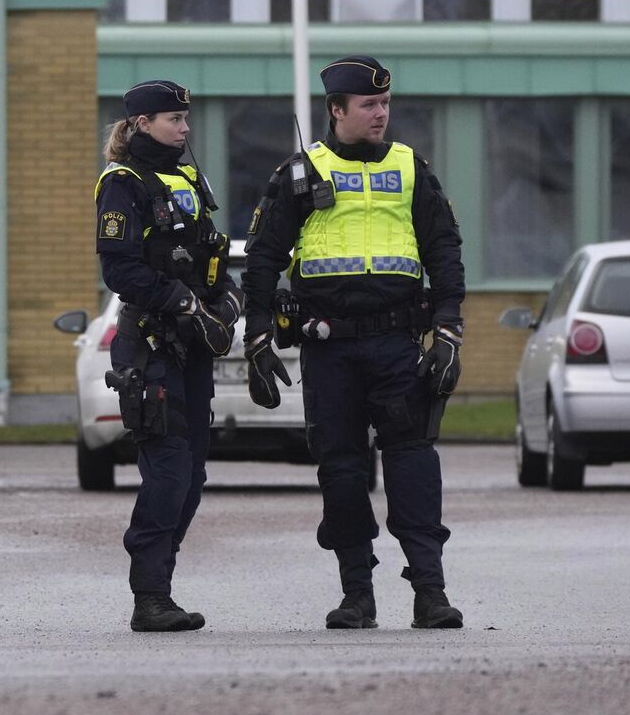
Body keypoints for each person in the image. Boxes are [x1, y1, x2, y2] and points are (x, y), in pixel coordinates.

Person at [239, 55, 468, 630]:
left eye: (386, 104)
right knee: (341, 472)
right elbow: (263, 258)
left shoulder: (411, 167)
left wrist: (447, 328)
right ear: (336, 110)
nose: (381, 114)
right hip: (329, 348)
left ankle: (430, 593)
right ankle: (356, 594)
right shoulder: (298, 173)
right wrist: (258, 339)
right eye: (368, 105)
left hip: (398, 344)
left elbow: (444, 250)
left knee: (413, 465)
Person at [95, 79, 242, 633]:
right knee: (168, 472)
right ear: (141, 124)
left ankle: (162, 586)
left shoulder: (186, 178)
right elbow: (121, 270)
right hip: (151, 346)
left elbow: (207, 254)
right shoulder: (123, 183)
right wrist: (181, 301)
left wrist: (226, 295)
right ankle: (150, 597)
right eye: (173, 120)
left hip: (191, 350)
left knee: (192, 476)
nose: (185, 129)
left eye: (185, 119)